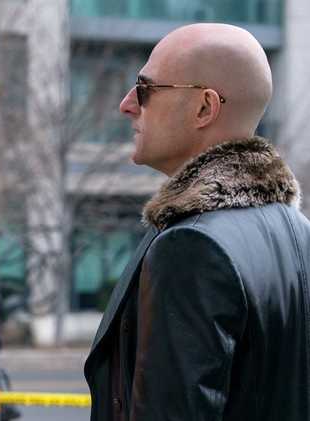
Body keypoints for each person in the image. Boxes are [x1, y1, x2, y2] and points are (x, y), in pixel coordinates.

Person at [84, 23, 310, 421]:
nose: (126, 104)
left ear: (205, 107)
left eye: (145, 89)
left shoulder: (191, 245)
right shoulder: (300, 234)